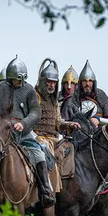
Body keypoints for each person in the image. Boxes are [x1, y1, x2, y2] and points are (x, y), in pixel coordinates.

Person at [0, 55, 55, 208]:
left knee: (39, 153)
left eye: (22, 79)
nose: (20, 83)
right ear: (10, 78)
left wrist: (24, 123)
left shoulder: (29, 90)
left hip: (21, 131)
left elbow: (36, 112)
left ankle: (45, 190)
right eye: (17, 80)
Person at [61, 60, 108, 215]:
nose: (87, 84)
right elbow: (64, 120)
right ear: (80, 83)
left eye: (89, 81)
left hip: (100, 142)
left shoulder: (101, 95)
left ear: (93, 82)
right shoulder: (72, 99)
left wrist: (98, 120)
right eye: (84, 81)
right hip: (78, 140)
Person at [33, 59, 80, 194]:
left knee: (69, 147)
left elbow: (58, 122)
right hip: (38, 138)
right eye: (48, 81)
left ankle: (64, 186)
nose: (51, 84)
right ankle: (46, 187)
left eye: (53, 82)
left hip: (53, 138)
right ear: (42, 81)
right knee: (46, 149)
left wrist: (69, 124)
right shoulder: (35, 96)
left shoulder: (54, 101)